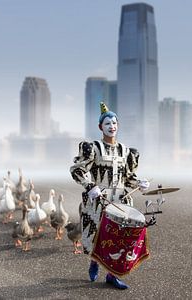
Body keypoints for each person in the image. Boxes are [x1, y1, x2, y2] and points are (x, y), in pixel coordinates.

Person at [70, 102, 149, 289]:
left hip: (121, 201)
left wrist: (139, 183)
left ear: (118, 126)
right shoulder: (93, 148)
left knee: (120, 237)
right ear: (100, 127)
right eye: (107, 123)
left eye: (114, 123)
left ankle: (112, 275)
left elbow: (128, 178)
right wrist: (90, 185)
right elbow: (77, 170)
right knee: (99, 234)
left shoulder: (126, 151)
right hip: (99, 201)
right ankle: (94, 261)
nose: (111, 126)